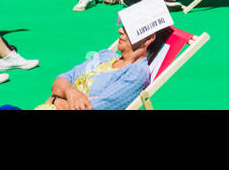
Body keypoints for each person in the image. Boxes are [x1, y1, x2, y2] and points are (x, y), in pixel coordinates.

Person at [43, 15, 175, 110]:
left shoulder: (136, 73)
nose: (120, 30)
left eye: (128, 28)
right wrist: (70, 92)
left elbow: (96, 108)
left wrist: (56, 100)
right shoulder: (105, 55)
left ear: (148, 39)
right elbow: (60, 81)